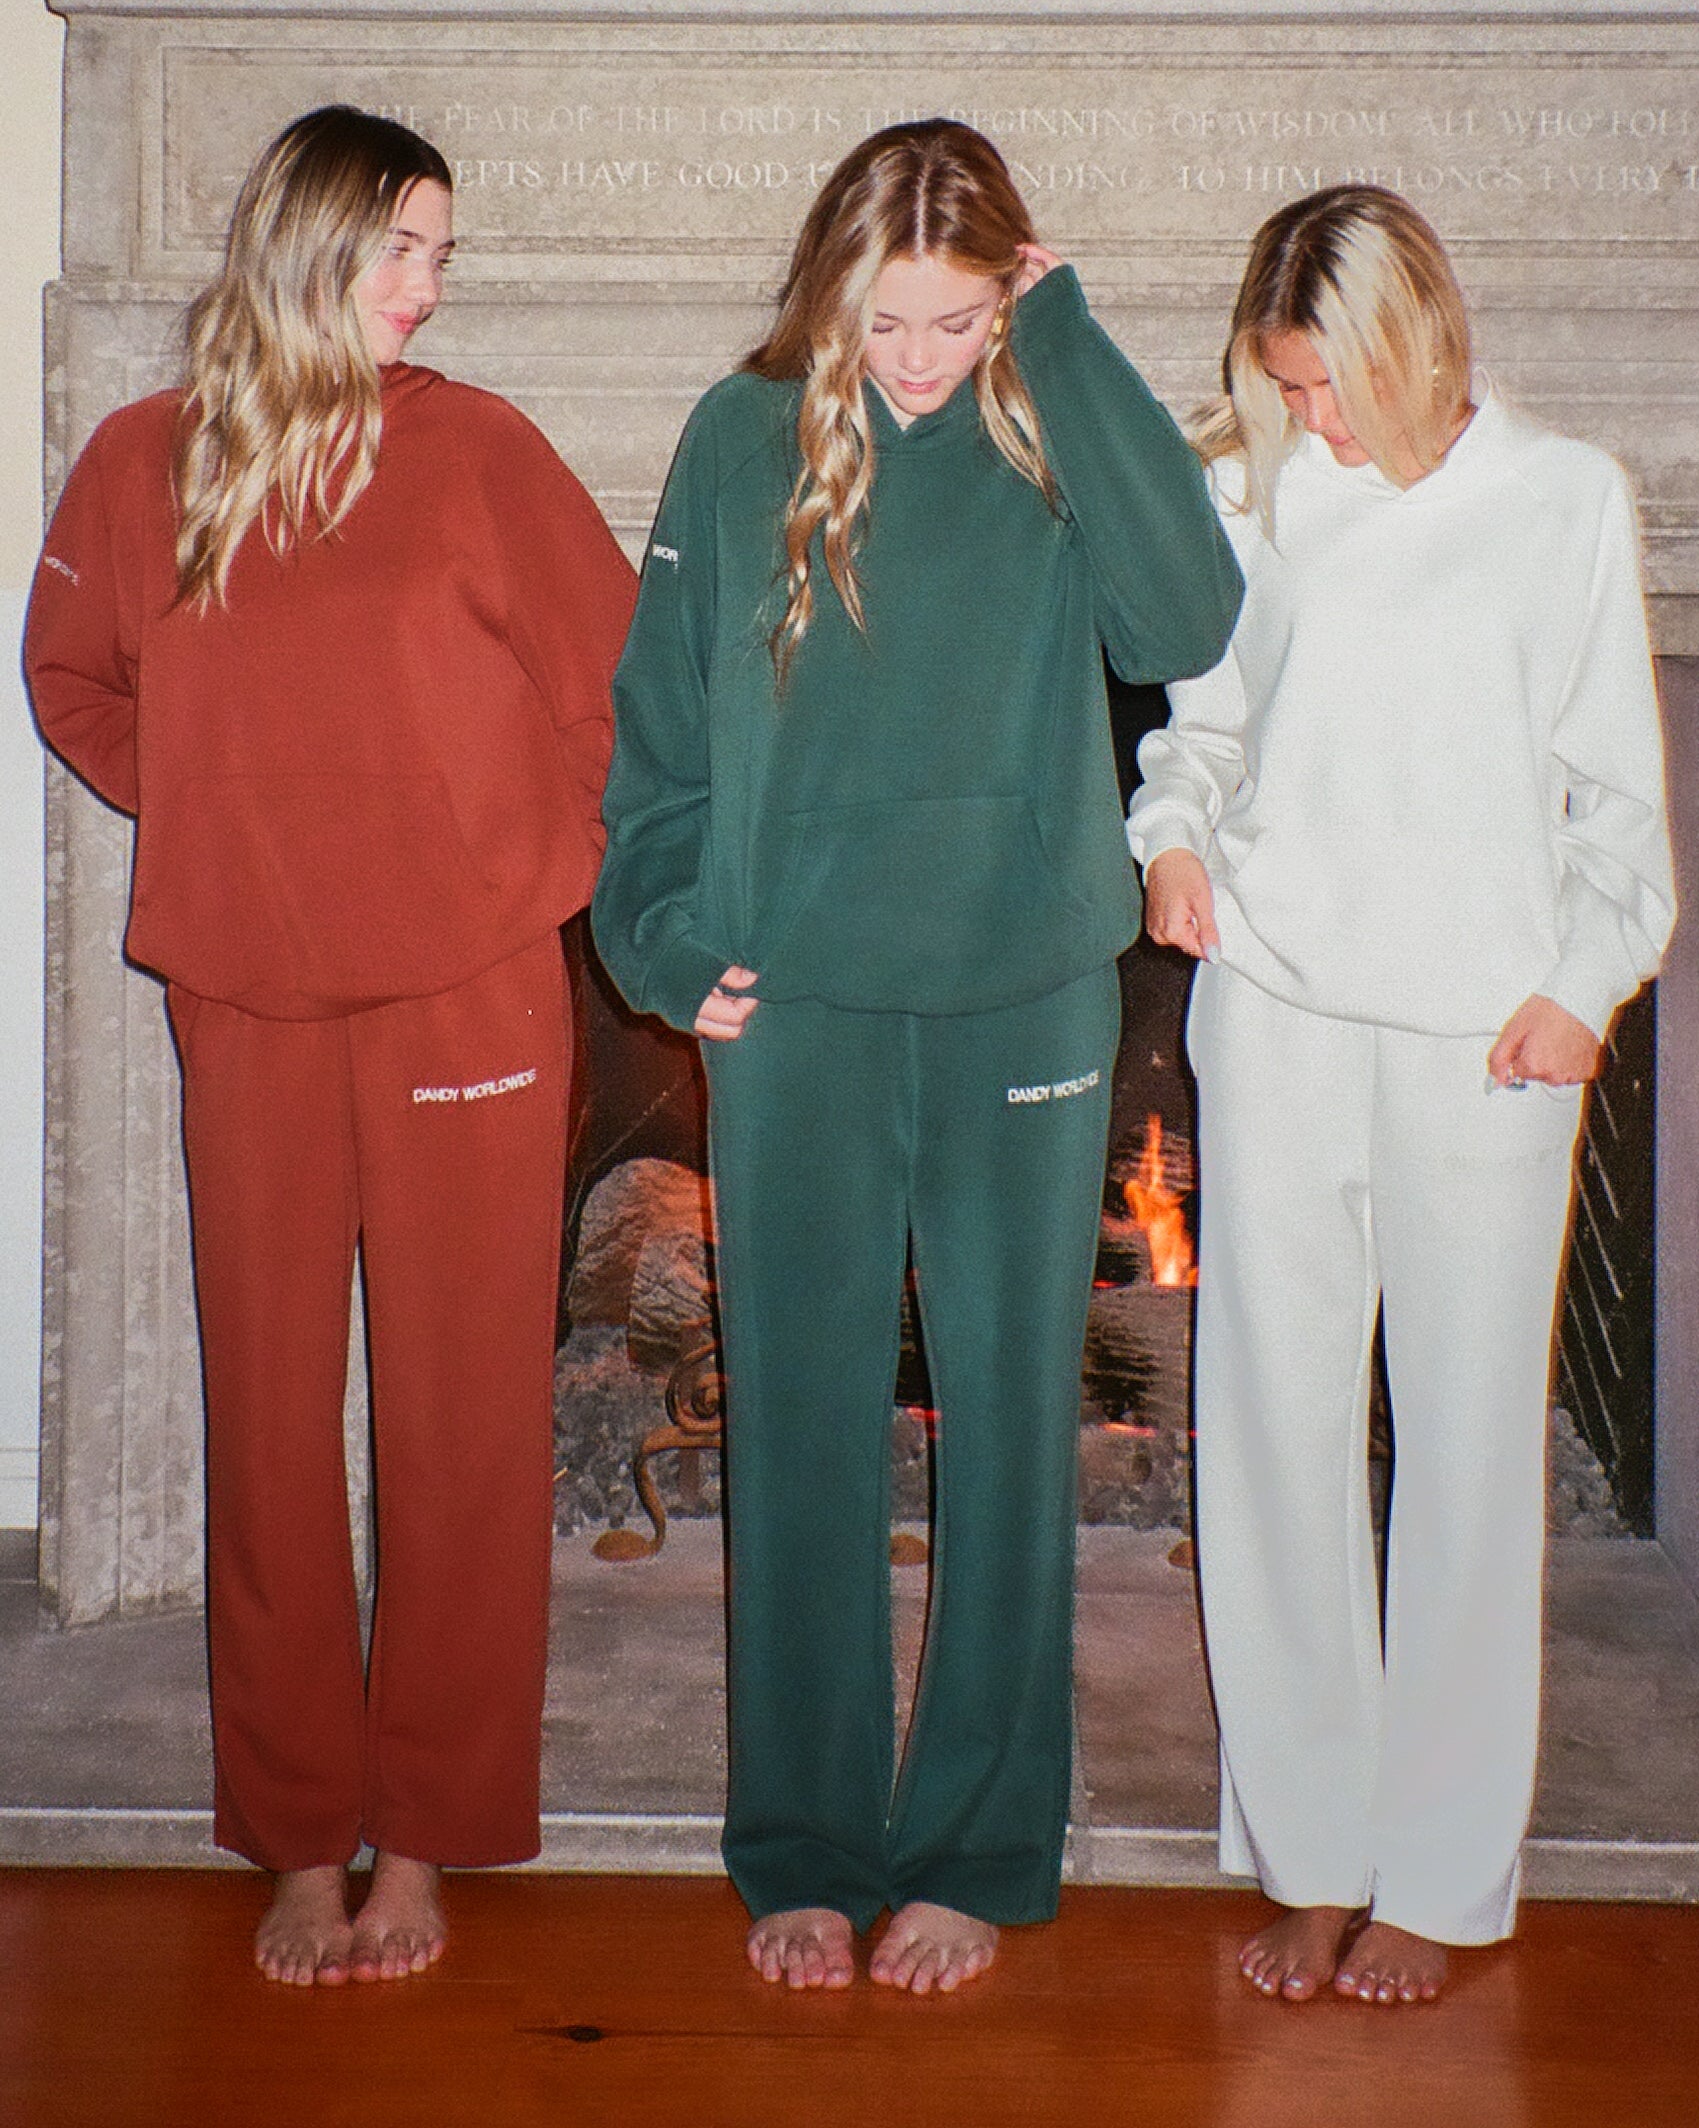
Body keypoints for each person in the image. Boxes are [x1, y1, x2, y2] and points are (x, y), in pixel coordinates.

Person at [593, 118, 1242, 1994]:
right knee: (794, 1424)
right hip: (789, 1008)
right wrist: (659, 934)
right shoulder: (739, 440)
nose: (919, 360)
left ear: (1007, 299)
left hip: (1020, 999)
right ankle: (800, 1840)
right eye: (887, 321)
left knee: (1010, 1424)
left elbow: (1191, 621)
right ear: (830, 289)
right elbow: (656, 730)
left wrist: (1074, 345)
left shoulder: (1050, 423)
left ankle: (974, 1844)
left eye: (958, 321)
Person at [26, 107, 636, 1986]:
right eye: (403, 251)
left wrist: (525, 865)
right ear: (307, 245)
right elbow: (71, 682)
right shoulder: (142, 465)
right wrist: (212, 818)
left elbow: (621, 696)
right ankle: (296, 1834)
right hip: (251, 1000)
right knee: (272, 1424)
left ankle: (432, 1835)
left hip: (471, 998)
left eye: (440, 256)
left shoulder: (479, 451)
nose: (428, 288)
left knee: (459, 1432)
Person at [1127, 184, 1673, 2007]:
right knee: (1269, 1442)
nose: (1313, 423)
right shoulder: (1250, 490)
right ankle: (1308, 1853)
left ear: (1417, 343)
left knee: (1461, 1459)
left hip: (1484, 1047)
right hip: (1272, 1014)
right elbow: (1192, 741)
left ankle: (1437, 1879)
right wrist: (1172, 848)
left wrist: (1575, 988)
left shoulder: (1563, 505)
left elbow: (1619, 814)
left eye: (1334, 384)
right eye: (1283, 385)